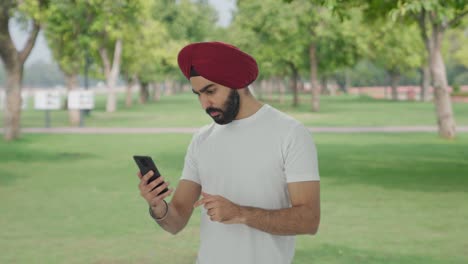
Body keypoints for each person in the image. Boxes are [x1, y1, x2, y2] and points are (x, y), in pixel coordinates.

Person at [137, 41, 320, 264]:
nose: (204, 104)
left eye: (210, 91)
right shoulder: (202, 140)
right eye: (198, 94)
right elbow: (175, 222)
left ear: (238, 83)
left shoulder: (291, 134)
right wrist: (158, 206)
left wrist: (240, 213)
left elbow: (309, 220)